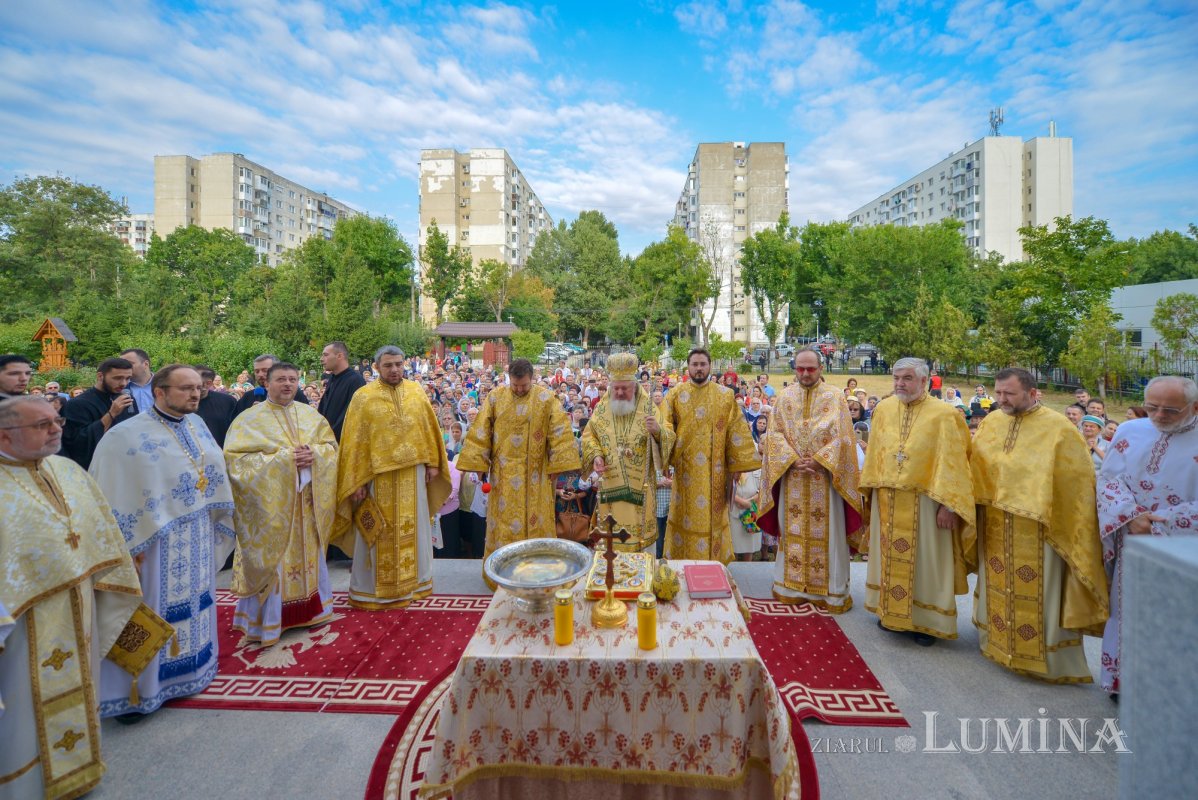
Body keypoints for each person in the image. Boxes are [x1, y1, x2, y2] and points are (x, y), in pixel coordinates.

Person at [0, 396, 147, 799]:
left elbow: (100, 526)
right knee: (22, 708)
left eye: (57, 420)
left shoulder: (67, 470)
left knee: (82, 689)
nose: (56, 429)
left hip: (78, 602)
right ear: (4, 436)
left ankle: (78, 772)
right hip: (21, 621)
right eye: (42, 424)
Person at [89, 365, 236, 719]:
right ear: (159, 391)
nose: (195, 394)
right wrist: (126, 550)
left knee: (196, 604)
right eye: (186, 388)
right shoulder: (124, 437)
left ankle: (193, 672)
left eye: (198, 388)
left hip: (196, 534)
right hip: (152, 546)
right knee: (151, 610)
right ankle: (136, 694)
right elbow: (110, 493)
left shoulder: (197, 425)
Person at [970, 368, 1109, 682]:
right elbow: (978, 467)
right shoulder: (992, 421)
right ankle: (997, 644)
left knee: (1038, 591)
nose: (1001, 399)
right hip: (995, 522)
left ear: (1033, 393)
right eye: (999, 392)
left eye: (1009, 394)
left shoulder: (1060, 429)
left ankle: (1042, 659)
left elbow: (1076, 485)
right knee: (996, 584)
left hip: (1039, 530)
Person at [860, 357, 975, 646]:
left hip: (927, 502)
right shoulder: (884, 409)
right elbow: (875, 453)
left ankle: (926, 623)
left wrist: (949, 505)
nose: (900, 383)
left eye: (907, 378)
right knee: (887, 557)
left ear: (924, 381)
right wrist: (871, 495)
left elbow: (956, 462)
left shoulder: (945, 415)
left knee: (927, 563)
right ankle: (890, 613)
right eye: (896, 378)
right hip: (888, 498)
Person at [1096, 376, 1198, 698]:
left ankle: (1170, 691)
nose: (1159, 416)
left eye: (1171, 410)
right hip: (1132, 541)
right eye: (1152, 407)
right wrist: (1131, 515)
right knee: (1128, 609)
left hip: (1184, 548)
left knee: (1176, 616)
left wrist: (1162, 522)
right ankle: (1121, 682)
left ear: (1194, 407)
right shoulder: (1129, 431)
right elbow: (1108, 480)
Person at [224, 362, 339, 645]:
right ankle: (269, 620)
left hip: (306, 505)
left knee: (309, 558)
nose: (287, 384)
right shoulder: (249, 419)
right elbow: (236, 463)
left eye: (292, 379)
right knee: (275, 564)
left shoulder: (311, 416)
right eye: (281, 379)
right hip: (271, 511)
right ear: (267, 381)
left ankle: (313, 611)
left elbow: (331, 449)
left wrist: (314, 455)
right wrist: (286, 460)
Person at [332, 346, 451, 609]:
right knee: (376, 530)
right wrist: (357, 481)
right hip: (377, 478)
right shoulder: (363, 397)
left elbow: (429, 428)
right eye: (388, 365)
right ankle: (371, 590)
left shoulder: (416, 391)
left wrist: (433, 463)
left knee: (415, 528)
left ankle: (416, 583)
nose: (394, 369)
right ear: (376, 367)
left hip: (414, 474)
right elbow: (354, 442)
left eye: (398, 364)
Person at [757, 348, 864, 612]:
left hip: (825, 481)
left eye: (811, 369)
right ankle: (789, 586)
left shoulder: (836, 397)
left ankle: (831, 593)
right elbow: (774, 435)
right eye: (800, 368)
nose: (805, 374)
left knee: (829, 534)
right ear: (795, 368)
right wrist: (792, 459)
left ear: (821, 368)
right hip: (792, 477)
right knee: (791, 531)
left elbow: (844, 438)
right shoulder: (784, 397)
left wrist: (821, 459)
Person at [457, 358, 579, 564]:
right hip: (502, 475)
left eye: (524, 385)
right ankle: (503, 568)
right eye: (515, 385)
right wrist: (478, 464)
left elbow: (560, 432)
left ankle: (539, 569)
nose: (519, 389)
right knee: (504, 523)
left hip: (536, 475)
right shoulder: (495, 398)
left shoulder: (546, 399)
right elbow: (481, 432)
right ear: (509, 379)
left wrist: (558, 465)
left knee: (536, 520)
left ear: (532, 379)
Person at [661, 348, 758, 563]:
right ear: (688, 367)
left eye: (702, 364)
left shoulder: (724, 395)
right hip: (686, 474)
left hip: (716, 473)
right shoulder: (675, 395)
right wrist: (663, 447)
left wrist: (737, 467)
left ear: (710, 366)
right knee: (684, 521)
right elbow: (666, 427)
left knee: (713, 521)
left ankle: (714, 568)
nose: (698, 368)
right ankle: (683, 566)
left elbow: (736, 431)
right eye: (694, 364)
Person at [581, 353, 675, 554]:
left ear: (635, 387)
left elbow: (668, 434)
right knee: (610, 546)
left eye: (625, 388)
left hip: (640, 490)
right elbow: (589, 435)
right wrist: (597, 455)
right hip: (610, 489)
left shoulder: (648, 407)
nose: (621, 392)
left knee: (640, 549)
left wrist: (657, 431)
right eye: (616, 388)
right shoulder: (602, 408)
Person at [61, 357, 138, 470]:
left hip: (123, 465)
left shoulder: (127, 400)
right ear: (100, 376)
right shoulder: (77, 404)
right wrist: (111, 414)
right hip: (93, 469)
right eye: (117, 378)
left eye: (128, 378)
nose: (123, 383)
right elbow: (77, 443)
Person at [317, 340, 366, 442]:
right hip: (327, 441)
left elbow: (351, 415)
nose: (321, 359)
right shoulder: (333, 378)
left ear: (339, 356)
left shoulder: (355, 380)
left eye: (325, 355)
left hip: (342, 442)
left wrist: (329, 437)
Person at [233, 354, 310, 416]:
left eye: (265, 370)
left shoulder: (293, 394)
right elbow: (235, 425)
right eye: (257, 371)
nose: (260, 374)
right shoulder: (248, 397)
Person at [195, 365, 237, 447]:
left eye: (195, 381)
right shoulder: (180, 402)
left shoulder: (228, 401)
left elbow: (237, 430)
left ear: (208, 383)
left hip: (221, 453)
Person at [120, 348, 155, 413]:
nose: (124, 367)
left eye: (129, 364)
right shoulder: (118, 389)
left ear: (146, 364)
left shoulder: (165, 385)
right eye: (121, 365)